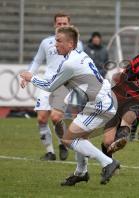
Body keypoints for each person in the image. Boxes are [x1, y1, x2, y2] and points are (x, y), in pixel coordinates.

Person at [20, 26, 120, 185]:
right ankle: (81, 173)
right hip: (99, 102)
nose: (55, 45)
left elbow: (50, 86)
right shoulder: (78, 55)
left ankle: (108, 162)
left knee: (67, 138)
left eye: (59, 41)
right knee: (79, 138)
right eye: (54, 41)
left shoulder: (69, 64)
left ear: (70, 43)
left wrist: (30, 77)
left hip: (100, 105)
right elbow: (66, 81)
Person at [21, 13, 84, 161]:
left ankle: (63, 143)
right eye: (59, 23)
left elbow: (80, 64)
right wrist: (27, 76)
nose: (61, 26)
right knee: (42, 119)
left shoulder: (76, 44)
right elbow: (37, 61)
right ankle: (50, 152)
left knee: (56, 118)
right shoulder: (46, 42)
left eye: (64, 24)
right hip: (46, 83)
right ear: (54, 25)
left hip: (63, 84)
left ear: (70, 25)